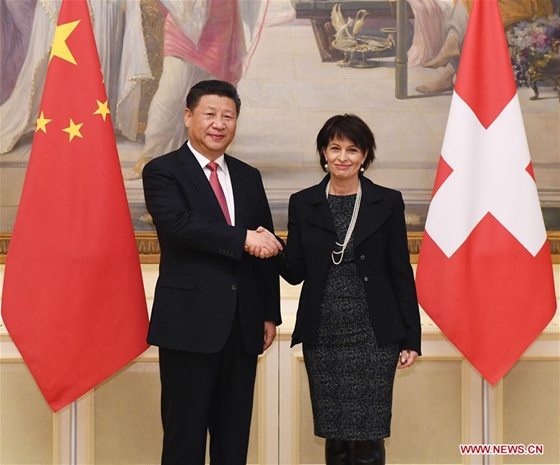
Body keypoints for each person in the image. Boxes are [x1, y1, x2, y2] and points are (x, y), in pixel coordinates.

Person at [142, 79, 282, 464]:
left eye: (228, 116)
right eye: (209, 114)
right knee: (184, 440)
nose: (219, 124)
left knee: (233, 440)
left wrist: (270, 313)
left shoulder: (248, 175)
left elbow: (264, 241)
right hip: (188, 327)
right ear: (188, 117)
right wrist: (241, 239)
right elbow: (178, 225)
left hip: (243, 327)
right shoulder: (163, 171)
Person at [273, 114, 421, 465]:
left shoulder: (387, 201)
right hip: (323, 335)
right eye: (334, 148)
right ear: (323, 152)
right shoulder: (303, 201)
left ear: (365, 156)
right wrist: (274, 248)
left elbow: (400, 271)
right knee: (334, 434)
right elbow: (295, 273)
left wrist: (410, 338)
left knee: (368, 436)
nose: (343, 157)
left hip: (374, 337)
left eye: (352, 149)